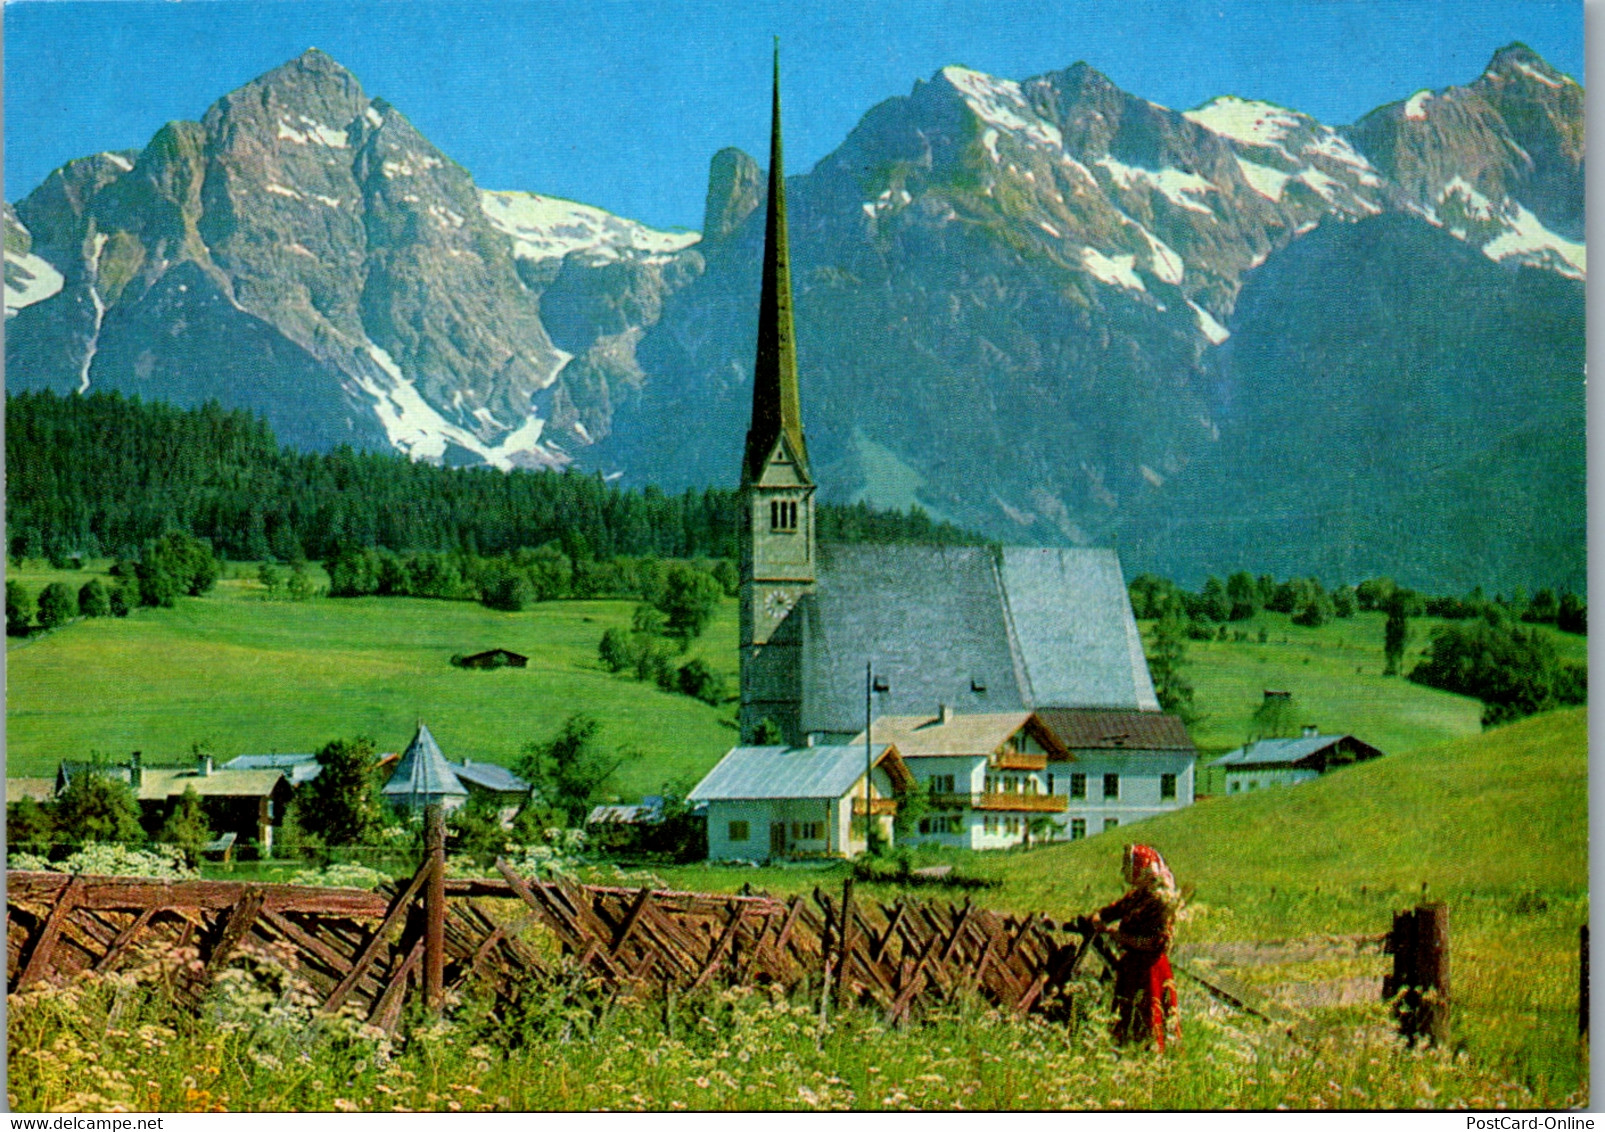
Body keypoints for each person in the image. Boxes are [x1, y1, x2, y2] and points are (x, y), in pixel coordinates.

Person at [1089, 843, 1181, 1050]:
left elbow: (1157, 944)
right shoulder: (1136, 896)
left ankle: (1151, 1060)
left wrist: (1119, 936)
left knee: (1149, 1019)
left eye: (1129, 866)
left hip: (1150, 971)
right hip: (1132, 968)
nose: (1125, 871)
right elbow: (1109, 912)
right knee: (1128, 1018)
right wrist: (1097, 919)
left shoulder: (1160, 901)